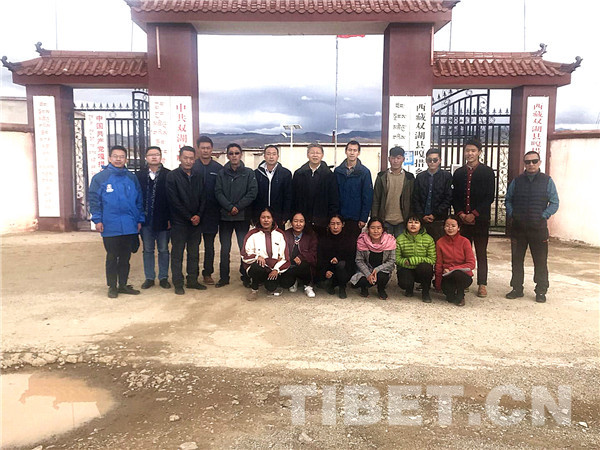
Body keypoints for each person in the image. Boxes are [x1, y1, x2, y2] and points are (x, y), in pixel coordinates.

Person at [89, 145, 144, 298]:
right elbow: (94, 200)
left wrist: (139, 219)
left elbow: (139, 200)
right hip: (110, 225)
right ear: (109, 158)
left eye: (121, 157)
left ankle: (123, 285)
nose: (118, 159)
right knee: (112, 256)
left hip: (129, 224)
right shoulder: (100, 178)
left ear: (126, 159)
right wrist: (97, 220)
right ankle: (112, 286)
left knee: (126, 257)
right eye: (115, 156)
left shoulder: (131, 178)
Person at [505, 151, 559, 303]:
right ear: (524, 164)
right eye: (527, 162)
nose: (531, 164)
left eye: (534, 161)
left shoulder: (547, 181)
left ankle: (541, 290)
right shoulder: (517, 181)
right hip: (518, 228)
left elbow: (554, 202)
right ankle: (517, 288)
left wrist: (544, 215)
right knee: (517, 260)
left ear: (539, 162)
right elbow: (508, 199)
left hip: (538, 228)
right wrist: (512, 213)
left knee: (540, 261)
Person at [452, 137, 495, 298]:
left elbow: (489, 196)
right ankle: (464, 280)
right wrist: (461, 214)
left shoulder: (487, 172)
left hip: (481, 220)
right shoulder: (459, 173)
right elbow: (455, 196)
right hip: (463, 221)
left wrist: (474, 214)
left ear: (479, 152)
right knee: (463, 252)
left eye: (473, 150)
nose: (470, 153)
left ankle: (482, 283)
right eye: (467, 150)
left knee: (481, 252)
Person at [215, 143, 258, 288]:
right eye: (231, 153)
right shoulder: (221, 173)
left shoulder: (249, 173)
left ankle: (245, 276)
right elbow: (218, 192)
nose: (234, 156)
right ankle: (223, 277)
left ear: (241, 155)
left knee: (243, 248)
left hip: (242, 216)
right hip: (225, 216)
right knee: (225, 248)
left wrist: (238, 207)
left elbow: (252, 192)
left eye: (236, 153)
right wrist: (229, 207)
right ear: (227, 155)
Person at [166, 146, 207, 295]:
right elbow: (174, 201)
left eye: (191, 158)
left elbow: (203, 197)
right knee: (177, 253)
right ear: (180, 158)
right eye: (185, 158)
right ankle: (178, 282)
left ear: (194, 159)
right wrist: (189, 217)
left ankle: (192, 280)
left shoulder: (199, 175)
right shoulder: (172, 176)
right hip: (179, 222)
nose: (188, 161)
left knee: (194, 252)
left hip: (196, 222)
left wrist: (199, 215)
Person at [136, 146, 171, 290]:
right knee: (148, 250)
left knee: (163, 249)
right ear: (146, 157)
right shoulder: (139, 176)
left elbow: (171, 199)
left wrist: (170, 218)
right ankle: (149, 277)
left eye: (157, 154)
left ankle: (163, 277)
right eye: (151, 155)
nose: (154, 157)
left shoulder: (169, 175)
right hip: (145, 220)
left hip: (163, 219)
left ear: (161, 156)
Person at [192, 136, 223, 285]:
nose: (205, 150)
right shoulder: (192, 167)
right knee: (194, 246)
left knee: (209, 246)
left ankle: (207, 273)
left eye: (208, 148)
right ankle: (193, 273)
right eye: (202, 148)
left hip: (212, 213)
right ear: (198, 149)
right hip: (195, 213)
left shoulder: (218, 169)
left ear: (212, 149)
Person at [241, 208, 290, 301]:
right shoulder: (252, 234)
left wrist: (276, 269)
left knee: (272, 287)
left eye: (268, 217)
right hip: (258, 267)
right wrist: (257, 257)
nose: (266, 220)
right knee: (257, 267)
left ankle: (269, 283)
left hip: (273, 268)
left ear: (273, 219)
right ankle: (254, 289)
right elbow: (245, 255)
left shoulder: (280, 234)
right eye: (263, 217)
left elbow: (285, 257)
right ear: (259, 219)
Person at [292, 143, 339, 237]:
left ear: (322, 155)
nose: (315, 155)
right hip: (303, 220)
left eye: (318, 153)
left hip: (322, 221)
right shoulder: (299, 174)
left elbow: (334, 198)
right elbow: (293, 197)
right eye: (312, 152)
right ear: (307, 155)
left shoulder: (329, 175)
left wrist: (331, 218)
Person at [334, 140, 374, 242]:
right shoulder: (338, 171)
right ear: (346, 151)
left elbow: (367, 196)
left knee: (352, 245)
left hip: (355, 217)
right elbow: (334, 194)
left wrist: (363, 218)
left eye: (355, 150)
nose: (352, 153)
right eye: (350, 150)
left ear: (358, 153)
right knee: (338, 243)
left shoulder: (364, 172)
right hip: (339, 216)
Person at [371, 146, 415, 238]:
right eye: (393, 158)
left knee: (401, 245)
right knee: (385, 245)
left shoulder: (409, 178)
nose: (395, 161)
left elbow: (413, 199)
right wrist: (374, 218)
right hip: (384, 220)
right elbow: (376, 199)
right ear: (389, 159)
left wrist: (411, 219)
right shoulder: (381, 176)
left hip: (403, 220)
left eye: (398, 158)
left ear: (403, 159)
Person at [412, 148, 453, 241]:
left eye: (435, 160)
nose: (432, 162)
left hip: (439, 220)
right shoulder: (420, 177)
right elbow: (415, 198)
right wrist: (422, 215)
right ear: (426, 161)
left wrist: (434, 214)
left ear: (440, 160)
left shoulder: (446, 176)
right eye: (429, 160)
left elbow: (448, 198)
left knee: (438, 245)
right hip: (422, 219)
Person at [435, 215, 476, 306]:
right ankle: (452, 292)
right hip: (447, 275)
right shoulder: (440, 242)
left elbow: (471, 264)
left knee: (457, 273)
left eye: (453, 226)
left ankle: (461, 295)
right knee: (450, 298)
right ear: (444, 227)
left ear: (458, 228)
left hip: (463, 275)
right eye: (447, 225)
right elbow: (439, 263)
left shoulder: (465, 241)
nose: (450, 228)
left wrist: (452, 269)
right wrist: (438, 283)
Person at [350, 217, 396, 300]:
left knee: (382, 276)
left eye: (378, 228)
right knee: (362, 280)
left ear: (383, 229)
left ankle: (381, 289)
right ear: (368, 229)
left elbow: (391, 260)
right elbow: (359, 260)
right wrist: (368, 274)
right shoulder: (362, 241)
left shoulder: (390, 241)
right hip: (366, 269)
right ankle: (364, 288)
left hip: (381, 270)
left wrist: (377, 270)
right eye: (372, 228)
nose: (376, 231)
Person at [396, 216, 436, 302]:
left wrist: (412, 261)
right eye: (410, 222)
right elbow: (397, 258)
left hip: (421, 269)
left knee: (426, 267)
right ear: (406, 225)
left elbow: (432, 259)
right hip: (407, 267)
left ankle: (425, 292)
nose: (413, 225)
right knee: (404, 283)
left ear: (421, 225)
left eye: (416, 222)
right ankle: (409, 288)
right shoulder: (400, 239)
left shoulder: (428, 239)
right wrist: (405, 261)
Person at [253, 144, 293, 229]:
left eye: (274, 154)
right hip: (260, 215)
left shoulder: (285, 173)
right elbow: (253, 195)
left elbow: (288, 196)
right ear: (264, 156)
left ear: (278, 156)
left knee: (278, 237)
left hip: (278, 215)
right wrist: (253, 216)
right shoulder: (256, 173)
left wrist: (285, 216)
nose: (271, 157)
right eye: (268, 154)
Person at [317, 215, 356, 299]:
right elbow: (320, 257)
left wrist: (338, 258)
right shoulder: (323, 239)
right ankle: (331, 283)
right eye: (332, 224)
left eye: (338, 224)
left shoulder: (349, 239)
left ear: (343, 224)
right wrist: (326, 270)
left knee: (341, 264)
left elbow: (351, 256)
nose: (335, 227)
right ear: (329, 225)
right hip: (329, 268)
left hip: (344, 268)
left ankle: (342, 287)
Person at [280, 212, 318, 298]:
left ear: (305, 223)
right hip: (290, 265)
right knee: (285, 283)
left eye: (301, 221)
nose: (298, 224)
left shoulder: (311, 235)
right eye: (295, 221)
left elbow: (313, 252)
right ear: (291, 222)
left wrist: (302, 257)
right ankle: (294, 281)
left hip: (304, 265)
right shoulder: (285, 234)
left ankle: (308, 285)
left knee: (305, 264)